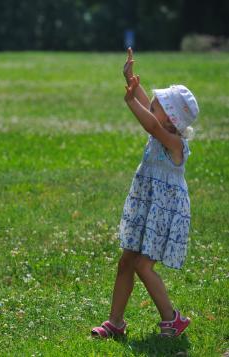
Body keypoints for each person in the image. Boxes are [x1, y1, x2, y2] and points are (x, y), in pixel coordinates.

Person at [91, 48, 199, 338]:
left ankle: (172, 319)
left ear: (172, 121)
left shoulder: (173, 141)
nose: (152, 102)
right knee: (127, 260)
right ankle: (115, 323)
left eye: (160, 103)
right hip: (147, 204)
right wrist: (129, 78)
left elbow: (149, 123)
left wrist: (130, 103)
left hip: (164, 209)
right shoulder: (160, 124)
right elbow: (149, 113)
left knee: (143, 265)